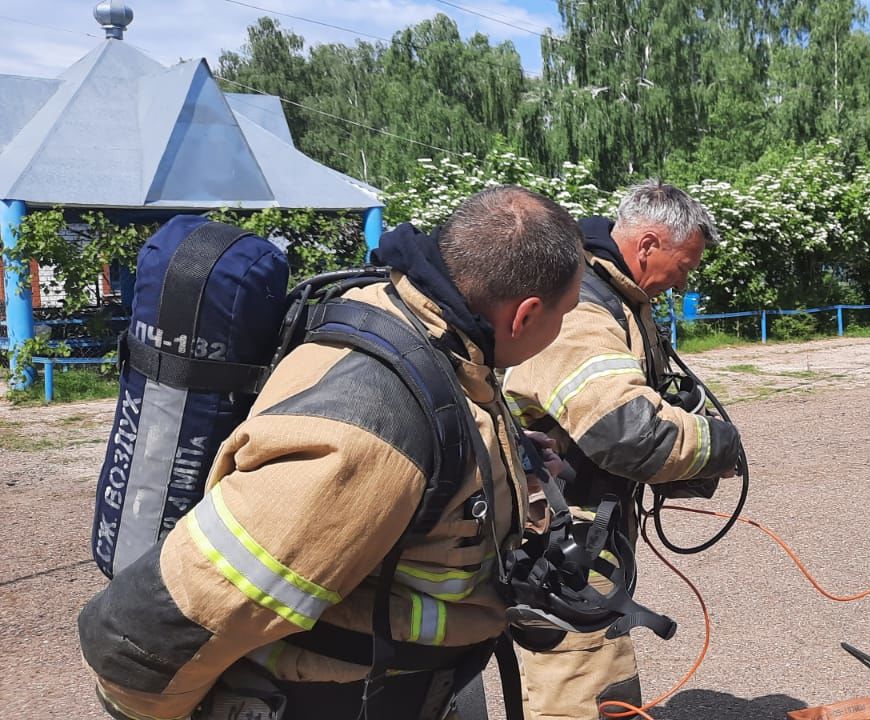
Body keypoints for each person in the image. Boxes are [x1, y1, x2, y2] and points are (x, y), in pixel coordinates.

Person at [76, 187, 587, 720]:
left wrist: (503, 460)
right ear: (524, 316)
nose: (563, 327)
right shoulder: (372, 430)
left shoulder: (429, 331)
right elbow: (146, 635)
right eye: (565, 313)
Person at [503, 180, 743, 720]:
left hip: (589, 532)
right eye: (683, 265)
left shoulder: (620, 300)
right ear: (649, 244)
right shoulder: (584, 307)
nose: (683, 279)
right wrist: (722, 445)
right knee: (581, 684)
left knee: (604, 673)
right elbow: (627, 432)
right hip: (562, 542)